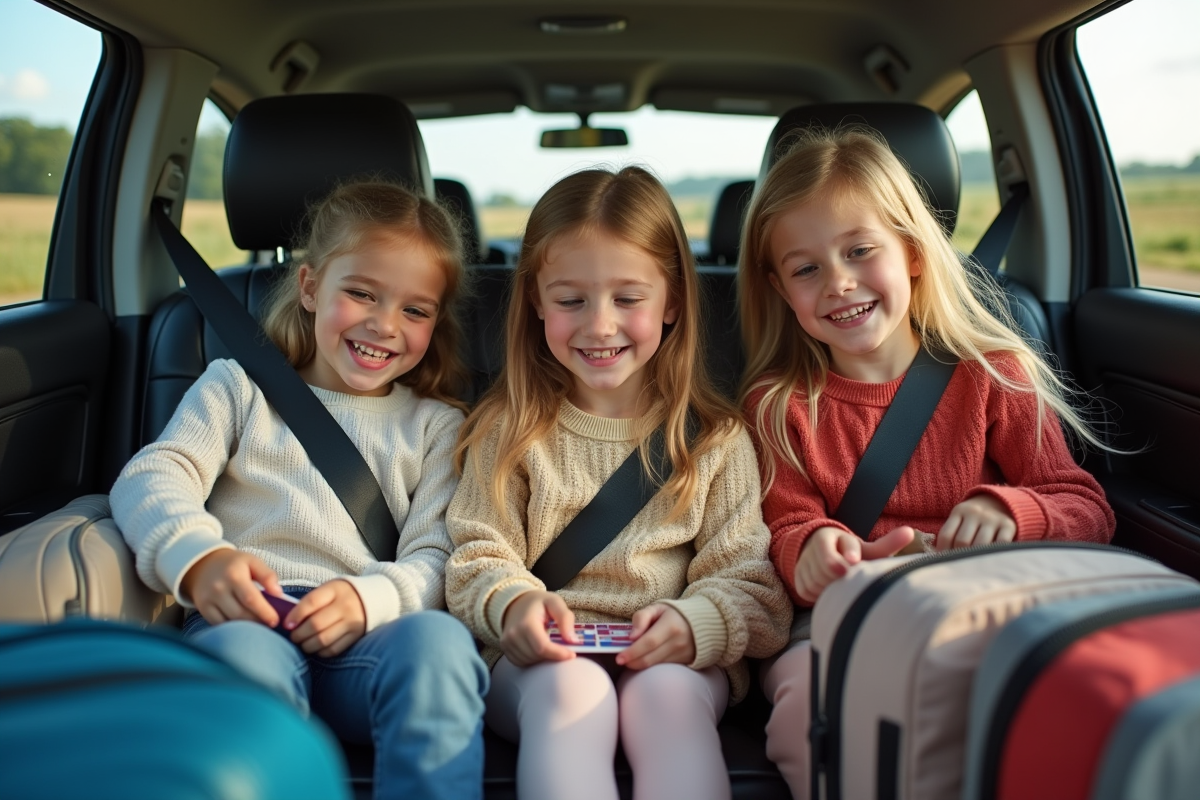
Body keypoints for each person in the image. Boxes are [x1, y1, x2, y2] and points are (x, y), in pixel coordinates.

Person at [736, 127, 1116, 799]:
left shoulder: (995, 374)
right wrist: (813, 549)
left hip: (978, 605)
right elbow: (780, 531)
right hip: (834, 621)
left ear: (912, 252)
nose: (839, 283)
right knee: (807, 713)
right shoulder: (777, 406)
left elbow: (1086, 508)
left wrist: (1011, 508)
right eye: (807, 268)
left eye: (860, 251)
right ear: (779, 287)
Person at [111, 181, 489, 800]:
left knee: (441, 642)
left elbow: (439, 558)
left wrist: (369, 601)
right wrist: (199, 559)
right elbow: (155, 476)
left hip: (370, 637)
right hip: (245, 619)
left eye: (414, 310)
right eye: (361, 293)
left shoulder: (436, 426)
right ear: (310, 287)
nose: (384, 324)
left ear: (434, 323)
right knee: (245, 667)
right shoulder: (236, 390)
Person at [445, 166, 792, 800]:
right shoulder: (509, 431)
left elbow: (752, 584)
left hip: (672, 656)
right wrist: (514, 605)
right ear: (535, 304)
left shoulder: (713, 440)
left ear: (673, 303)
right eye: (570, 300)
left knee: (667, 700)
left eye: (627, 299)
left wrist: (696, 625)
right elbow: (475, 555)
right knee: (573, 691)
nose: (599, 325)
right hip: (538, 661)